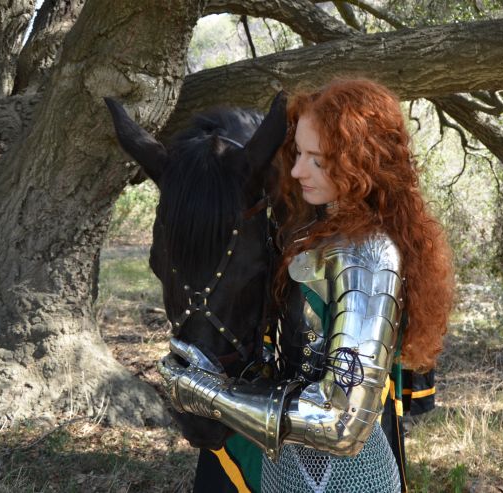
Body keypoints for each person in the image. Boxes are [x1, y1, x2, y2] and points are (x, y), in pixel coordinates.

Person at [158, 78, 455, 492]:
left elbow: (341, 424)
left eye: (317, 159)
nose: (296, 171)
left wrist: (209, 395)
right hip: (290, 465)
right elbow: (294, 363)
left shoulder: (368, 258)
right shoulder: (312, 239)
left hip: (347, 478)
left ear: (359, 162)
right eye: (298, 153)